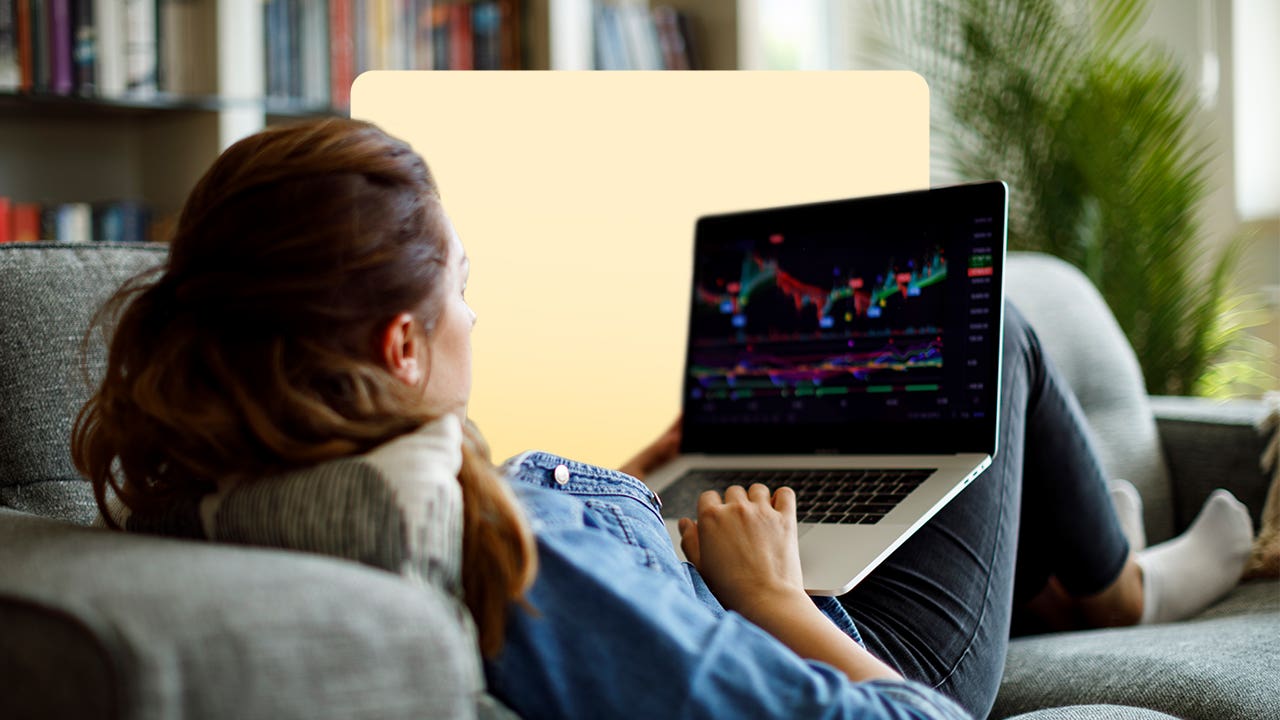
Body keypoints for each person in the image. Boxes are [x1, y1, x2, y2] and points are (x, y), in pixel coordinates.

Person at [71, 118, 1255, 719]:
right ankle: (1113, 590)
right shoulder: (513, 568)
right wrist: (772, 598)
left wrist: (626, 493)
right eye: (463, 290)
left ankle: (1062, 574)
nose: (477, 314)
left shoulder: (225, 477)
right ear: (399, 346)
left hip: (703, 554)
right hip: (853, 644)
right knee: (993, 329)